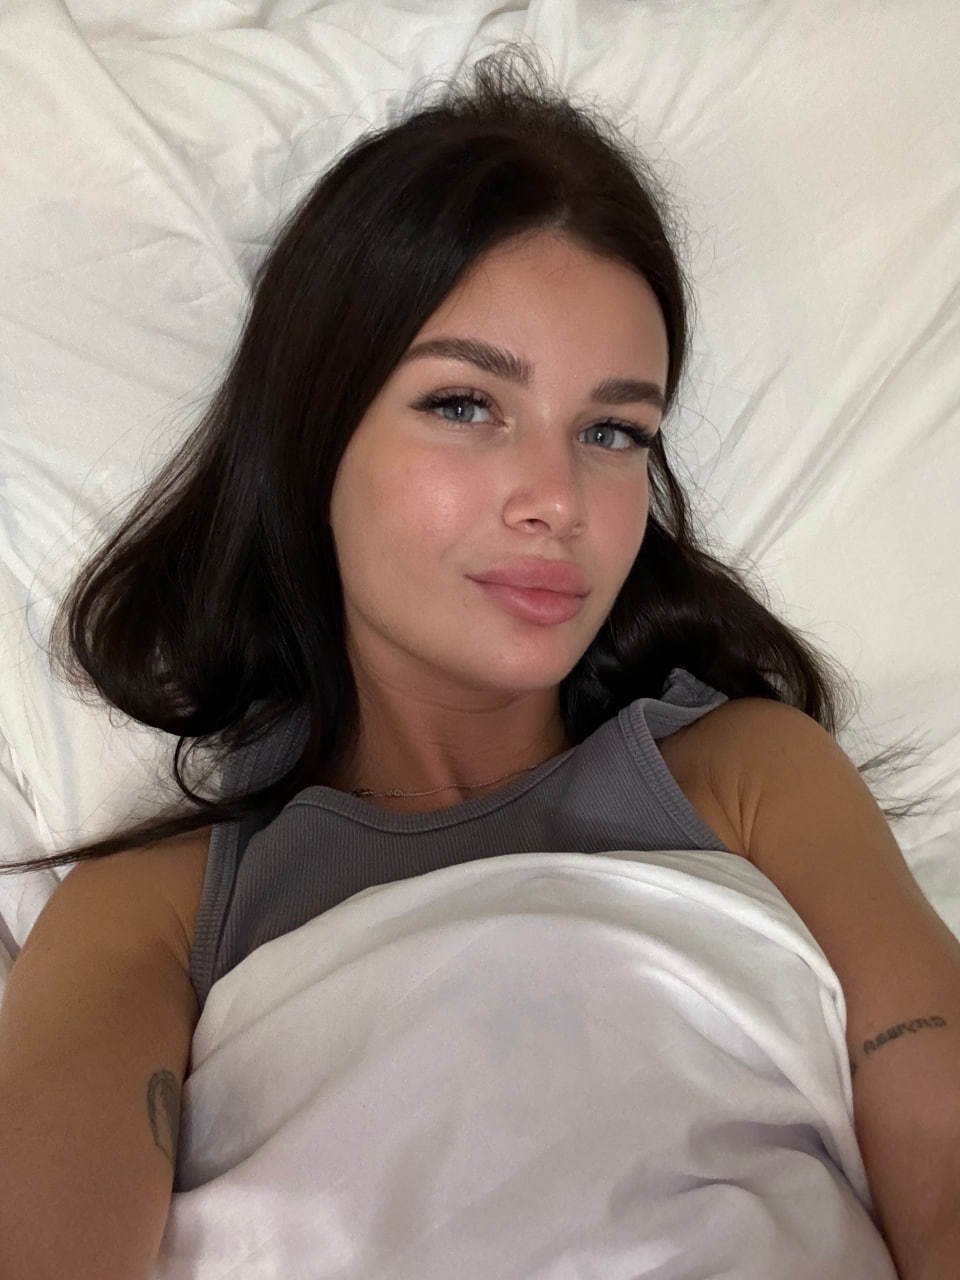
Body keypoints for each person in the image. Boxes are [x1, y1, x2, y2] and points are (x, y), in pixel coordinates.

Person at [0, 40, 935, 1280]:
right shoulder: (152, 917)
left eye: (614, 430)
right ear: (314, 432)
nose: (558, 496)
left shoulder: (752, 778)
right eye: (464, 404)